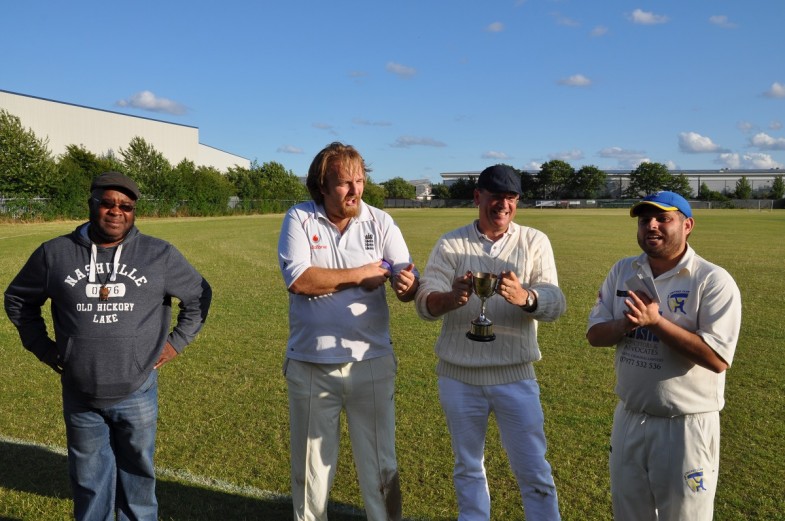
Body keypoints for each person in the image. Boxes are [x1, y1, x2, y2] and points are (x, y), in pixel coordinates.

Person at [4, 171, 212, 520]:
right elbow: (18, 300)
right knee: (89, 484)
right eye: (108, 203)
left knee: (138, 481)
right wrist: (43, 347)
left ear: (134, 212)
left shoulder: (159, 255)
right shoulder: (55, 254)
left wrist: (175, 343)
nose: (116, 211)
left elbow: (198, 296)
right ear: (92, 204)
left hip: (137, 389)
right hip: (80, 392)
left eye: (126, 206)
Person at [414, 164, 566, 520]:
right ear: (478, 197)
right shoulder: (451, 243)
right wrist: (451, 298)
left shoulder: (534, 241)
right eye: (496, 196)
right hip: (459, 376)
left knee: (534, 471)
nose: (504, 204)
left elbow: (555, 302)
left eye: (511, 197)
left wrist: (526, 296)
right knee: (468, 467)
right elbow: (425, 302)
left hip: (516, 375)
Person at [277, 142, 419, 521]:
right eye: (344, 183)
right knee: (310, 474)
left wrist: (409, 283)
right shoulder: (299, 219)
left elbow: (406, 272)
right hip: (310, 363)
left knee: (381, 465)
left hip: (370, 362)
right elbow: (301, 280)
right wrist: (361, 274)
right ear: (321, 185)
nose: (356, 191)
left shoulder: (381, 221)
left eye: (360, 181)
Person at [586, 191, 742, 521]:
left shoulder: (712, 280)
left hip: (685, 424)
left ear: (687, 225)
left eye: (663, 219)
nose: (652, 226)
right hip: (629, 417)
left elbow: (717, 358)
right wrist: (624, 325)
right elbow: (595, 335)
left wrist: (656, 322)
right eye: (645, 220)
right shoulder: (623, 270)